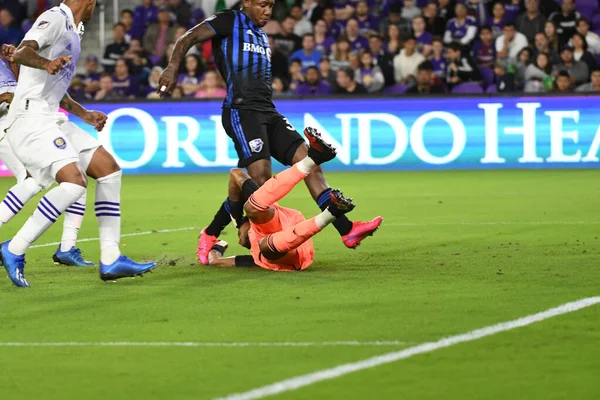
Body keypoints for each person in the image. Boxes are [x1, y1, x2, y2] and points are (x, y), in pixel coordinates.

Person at [158, 0, 382, 262]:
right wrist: (172, 67)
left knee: (307, 159)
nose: (268, 11)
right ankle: (212, 233)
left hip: (268, 110)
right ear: (248, 2)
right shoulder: (229, 21)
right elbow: (188, 37)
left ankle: (347, 230)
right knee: (261, 181)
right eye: (262, 5)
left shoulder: (262, 34)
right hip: (241, 111)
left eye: (271, 6)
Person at [1, 0, 155, 287]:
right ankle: (14, 248)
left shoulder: (74, 28)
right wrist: (47, 63)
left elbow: (53, 88)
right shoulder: (55, 18)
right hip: (29, 119)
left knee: (109, 169)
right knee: (73, 183)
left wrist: (84, 113)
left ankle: (111, 258)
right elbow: (22, 51)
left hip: (50, 116)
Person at [206, 133, 363, 271]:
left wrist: (236, 220)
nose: (239, 240)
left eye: (239, 234)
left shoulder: (258, 220)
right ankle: (331, 212)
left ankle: (313, 159)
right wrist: (218, 248)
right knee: (264, 245)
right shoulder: (257, 256)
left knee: (252, 207)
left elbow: (236, 174)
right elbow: (215, 261)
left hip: (281, 223)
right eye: (242, 239)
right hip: (293, 256)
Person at [0, 49, 94, 267]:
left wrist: (14, 61)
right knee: (31, 181)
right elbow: (8, 95)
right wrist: (4, 97)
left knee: (74, 175)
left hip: (27, 118)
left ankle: (67, 247)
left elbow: (18, 85)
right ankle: (18, 248)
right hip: (6, 124)